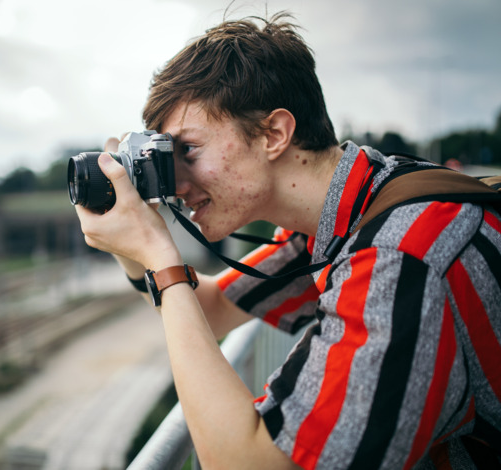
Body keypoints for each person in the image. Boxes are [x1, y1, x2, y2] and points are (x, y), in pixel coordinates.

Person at [74, 12, 501, 469]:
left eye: (189, 151)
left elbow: (250, 463)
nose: (176, 181)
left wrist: (161, 258)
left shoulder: (399, 257)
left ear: (274, 133)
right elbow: (210, 311)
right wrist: (133, 242)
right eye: (166, 155)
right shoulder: (354, 207)